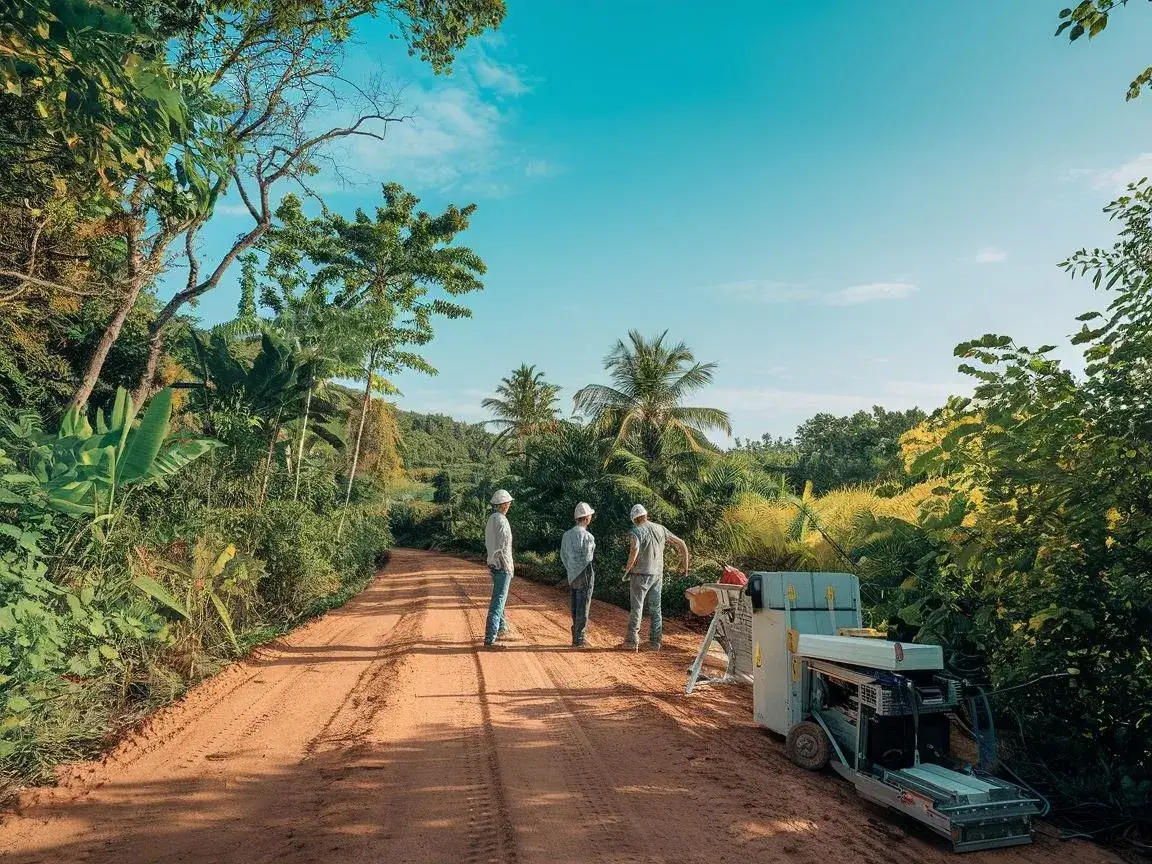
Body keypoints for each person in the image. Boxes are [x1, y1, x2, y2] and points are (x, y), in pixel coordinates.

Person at [620, 504, 689, 652]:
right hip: (657, 575)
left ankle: (632, 642)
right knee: (656, 608)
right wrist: (685, 566)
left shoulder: (636, 531)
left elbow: (634, 550)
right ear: (646, 515)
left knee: (637, 608)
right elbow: (681, 544)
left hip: (640, 575)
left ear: (634, 519)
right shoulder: (661, 529)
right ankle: (655, 643)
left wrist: (628, 569)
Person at [560, 502, 597, 648]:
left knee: (575, 605)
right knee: (584, 605)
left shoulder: (566, 535)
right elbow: (589, 557)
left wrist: (571, 568)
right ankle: (580, 639)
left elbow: (563, 555)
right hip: (585, 572)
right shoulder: (588, 536)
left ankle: (576, 637)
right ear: (586, 518)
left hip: (572, 573)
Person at [483, 489, 515, 649]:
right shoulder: (501, 520)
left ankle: (502, 628)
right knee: (499, 599)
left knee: (499, 597)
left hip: (493, 563)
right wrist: (506, 565)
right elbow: (502, 546)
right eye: (508, 502)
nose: (509, 505)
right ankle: (490, 638)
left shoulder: (492, 519)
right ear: (503, 504)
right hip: (502, 564)